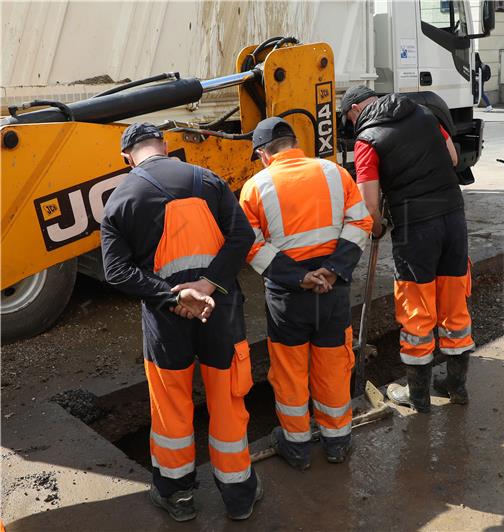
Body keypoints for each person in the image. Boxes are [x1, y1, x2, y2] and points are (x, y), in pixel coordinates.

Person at [101, 123, 260, 522]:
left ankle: (178, 497)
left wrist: (174, 296)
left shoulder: (120, 198)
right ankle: (240, 496)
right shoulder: (208, 179)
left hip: (165, 320)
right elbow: (242, 237)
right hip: (220, 310)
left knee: (171, 407)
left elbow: (116, 272)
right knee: (226, 400)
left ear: (127, 158)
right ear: (166, 146)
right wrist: (208, 284)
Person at [238, 117, 372, 470]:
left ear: (265, 154)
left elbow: (250, 246)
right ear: (295, 144)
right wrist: (331, 270)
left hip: (288, 298)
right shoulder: (334, 173)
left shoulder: (255, 187)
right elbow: (361, 223)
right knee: (332, 366)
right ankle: (337, 442)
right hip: (333, 291)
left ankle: (296, 447)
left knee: (289, 370)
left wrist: (300, 278)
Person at [341, 85, 474, 412]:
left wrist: (378, 227)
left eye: (348, 120)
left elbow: (369, 204)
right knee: (454, 301)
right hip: (453, 218)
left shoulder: (366, 141)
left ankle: (418, 397)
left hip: (416, 228)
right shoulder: (423, 113)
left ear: (355, 110)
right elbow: (453, 158)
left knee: (417, 309)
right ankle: (456, 386)